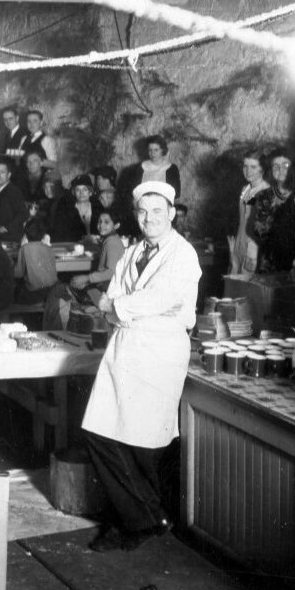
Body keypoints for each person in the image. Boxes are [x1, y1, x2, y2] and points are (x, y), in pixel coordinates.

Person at [79, 182, 202, 552]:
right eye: (143, 212)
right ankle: (146, 517)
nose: (150, 219)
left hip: (160, 351)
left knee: (143, 439)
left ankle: (141, 521)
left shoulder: (183, 255)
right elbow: (115, 295)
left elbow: (160, 299)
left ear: (172, 214)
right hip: (126, 345)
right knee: (100, 430)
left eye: (157, 212)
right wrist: (122, 306)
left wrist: (119, 306)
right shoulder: (132, 251)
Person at [70, 208, 128, 309]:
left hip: (108, 291)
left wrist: (87, 279)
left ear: (116, 225)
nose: (101, 225)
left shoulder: (112, 243)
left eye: (106, 222)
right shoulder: (110, 239)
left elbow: (111, 272)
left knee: (69, 290)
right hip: (105, 285)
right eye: (100, 221)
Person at [231, 150, 270, 275]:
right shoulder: (245, 189)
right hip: (240, 242)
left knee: (248, 285)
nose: (248, 171)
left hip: (254, 247)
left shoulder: (265, 191)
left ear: (262, 169)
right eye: (245, 166)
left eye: (253, 167)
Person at [13, 215, 60, 310]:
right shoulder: (48, 248)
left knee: (12, 292)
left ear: (26, 234)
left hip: (35, 294)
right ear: (43, 234)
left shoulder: (24, 248)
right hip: (53, 291)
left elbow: (18, 274)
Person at [0, 159, 30, 240]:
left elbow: (23, 213)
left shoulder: (13, 191)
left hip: (10, 239)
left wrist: (7, 228)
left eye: (2, 172)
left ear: (9, 175)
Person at [48, 175, 96, 244]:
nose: (81, 193)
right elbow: (61, 236)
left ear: (90, 192)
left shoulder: (97, 208)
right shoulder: (67, 210)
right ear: (73, 193)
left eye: (85, 189)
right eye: (77, 190)